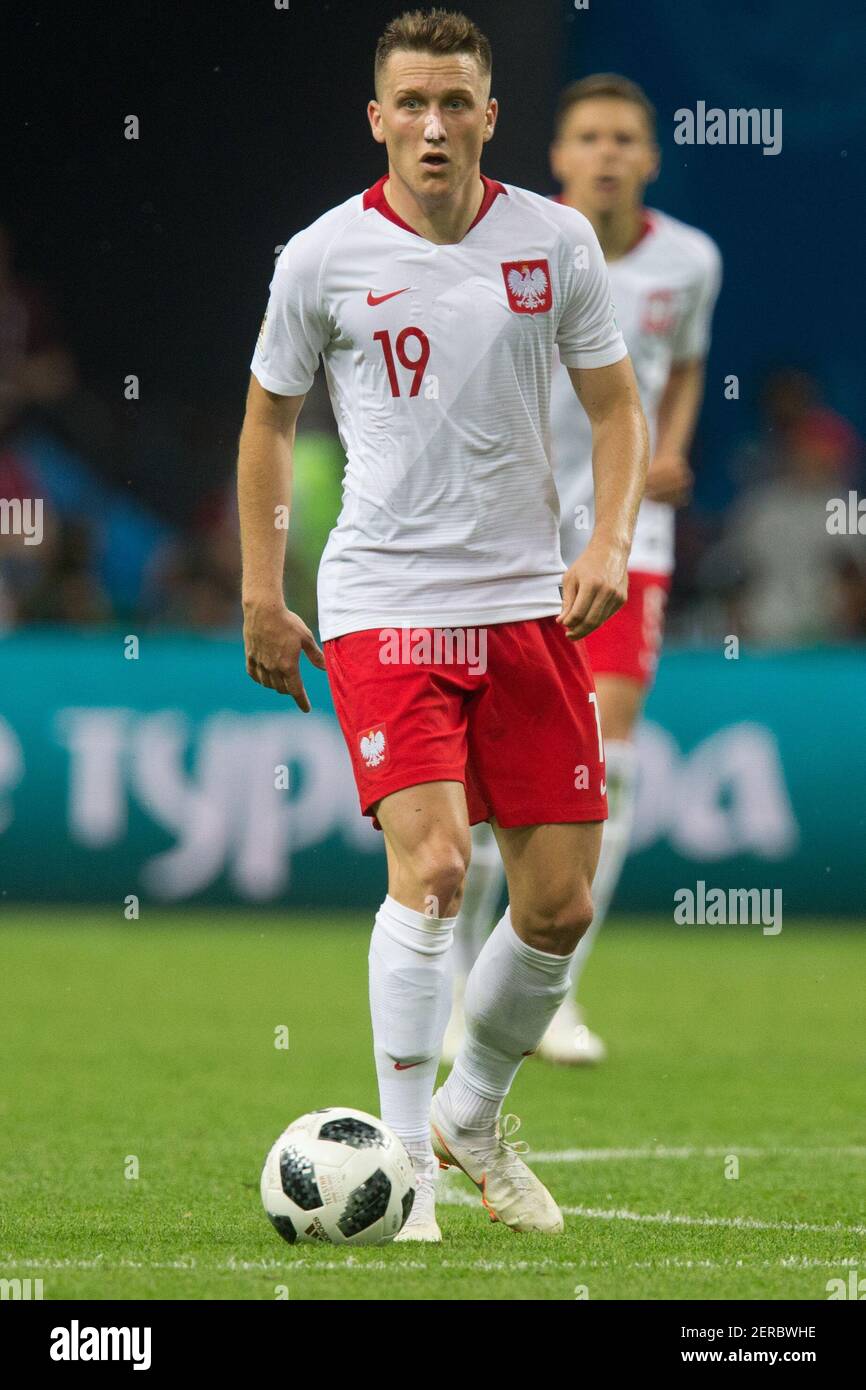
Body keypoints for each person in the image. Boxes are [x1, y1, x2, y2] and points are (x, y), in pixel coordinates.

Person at [237, 11, 647, 1241]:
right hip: (383, 606)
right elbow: (268, 422)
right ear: (377, 118)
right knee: (426, 871)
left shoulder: (553, 241)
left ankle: (473, 1113)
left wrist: (607, 541)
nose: (431, 125)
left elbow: (617, 410)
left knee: (559, 908)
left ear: (487, 116)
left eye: (453, 103)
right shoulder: (320, 258)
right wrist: (264, 587)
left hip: (523, 605)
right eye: (409, 104)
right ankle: (404, 1168)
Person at [445, 74, 722, 1065]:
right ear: (555, 155)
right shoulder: (508, 247)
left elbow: (681, 364)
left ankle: (546, 993)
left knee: (601, 755)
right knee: (482, 777)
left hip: (622, 534)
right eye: (586, 138)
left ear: (648, 158)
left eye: (622, 139)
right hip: (507, 533)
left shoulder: (689, 261)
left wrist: (666, 449)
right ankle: (453, 985)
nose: (604, 153)